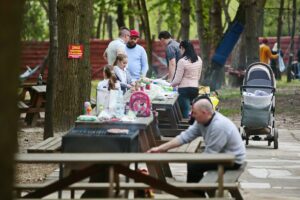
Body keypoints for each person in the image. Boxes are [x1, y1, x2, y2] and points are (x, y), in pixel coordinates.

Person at [148, 97, 246, 196]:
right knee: (194, 164)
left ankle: (194, 196)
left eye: (194, 113)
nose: (192, 115)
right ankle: (195, 195)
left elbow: (211, 154)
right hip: (221, 155)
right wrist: (160, 148)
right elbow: (184, 137)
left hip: (233, 160)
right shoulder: (201, 121)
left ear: (204, 112)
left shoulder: (219, 126)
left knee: (194, 165)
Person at [171, 40, 202, 118]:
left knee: (184, 112)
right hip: (195, 89)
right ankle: (193, 127)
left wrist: (170, 85)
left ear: (183, 48)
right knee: (192, 111)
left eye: (180, 49)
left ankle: (186, 128)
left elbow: (177, 80)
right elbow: (198, 76)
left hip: (184, 90)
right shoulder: (199, 59)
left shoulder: (182, 61)